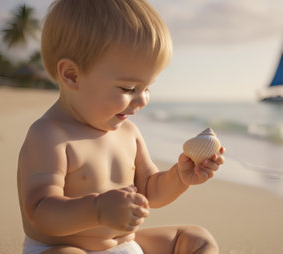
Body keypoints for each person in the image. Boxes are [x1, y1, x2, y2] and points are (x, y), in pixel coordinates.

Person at [17, 0, 225, 253]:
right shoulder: (50, 136)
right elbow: (40, 211)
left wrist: (179, 177)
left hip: (125, 245)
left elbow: (150, 190)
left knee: (196, 238)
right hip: (63, 247)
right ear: (72, 75)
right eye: (128, 88)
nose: (142, 100)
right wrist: (97, 210)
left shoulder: (128, 133)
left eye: (147, 88)